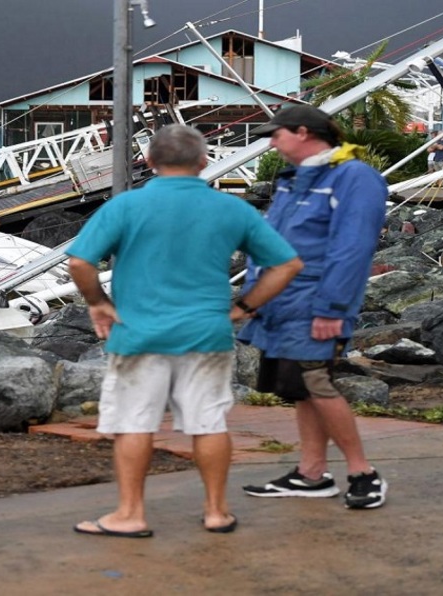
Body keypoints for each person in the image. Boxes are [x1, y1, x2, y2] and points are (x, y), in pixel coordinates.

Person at [66, 124, 302, 538]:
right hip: (206, 333)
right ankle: (216, 512)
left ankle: (131, 515)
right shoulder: (231, 209)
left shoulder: (126, 206)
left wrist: (98, 302)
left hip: (138, 335)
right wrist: (244, 307)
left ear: (150, 161)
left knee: (134, 423)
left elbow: (79, 262)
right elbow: (287, 264)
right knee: (208, 423)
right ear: (204, 161)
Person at [237, 105, 390, 509]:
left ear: (303, 132)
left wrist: (332, 308)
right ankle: (311, 474)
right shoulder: (296, 180)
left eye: (276, 135)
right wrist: (255, 299)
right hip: (283, 305)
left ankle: (363, 472)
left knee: (316, 384)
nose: (272, 143)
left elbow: (353, 248)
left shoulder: (354, 177)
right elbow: (271, 244)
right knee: (301, 389)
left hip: (313, 304)